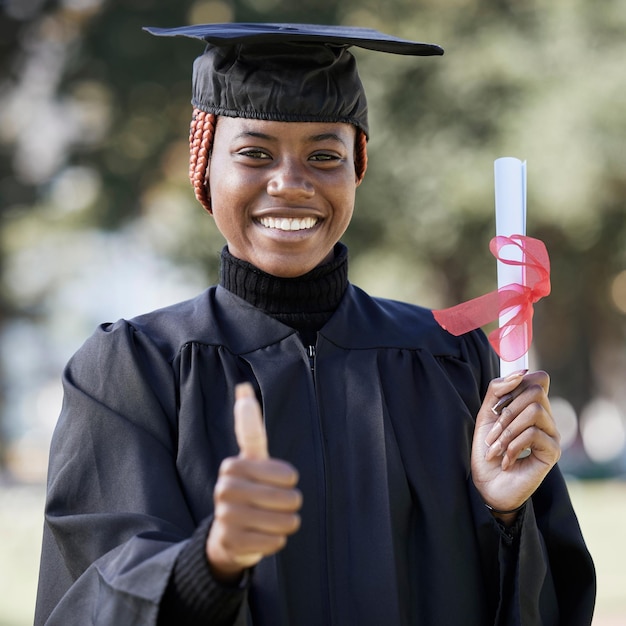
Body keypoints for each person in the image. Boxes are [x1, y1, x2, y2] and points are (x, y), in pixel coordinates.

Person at [35, 23, 595, 626]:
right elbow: (92, 593)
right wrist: (213, 561)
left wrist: (506, 518)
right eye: (254, 153)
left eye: (324, 156)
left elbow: (548, 604)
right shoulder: (131, 371)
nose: (291, 183)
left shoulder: (452, 362)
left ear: (356, 170)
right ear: (204, 167)